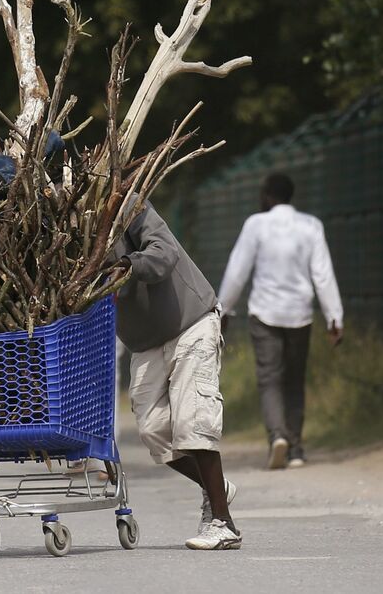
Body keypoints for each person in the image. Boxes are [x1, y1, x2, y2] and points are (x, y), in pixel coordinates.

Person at [113, 195, 241, 550]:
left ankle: (223, 523)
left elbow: (164, 252)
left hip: (191, 323)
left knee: (192, 421)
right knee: (153, 430)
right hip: (145, 341)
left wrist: (126, 266)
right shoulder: (62, 237)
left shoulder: (127, 205)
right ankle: (217, 487)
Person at [217, 173, 344, 470]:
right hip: (300, 313)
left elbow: (238, 271)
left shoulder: (256, 225)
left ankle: (277, 437)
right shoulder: (311, 225)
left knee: (269, 378)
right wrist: (334, 316)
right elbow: (322, 274)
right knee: (294, 380)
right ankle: (296, 449)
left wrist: (223, 309)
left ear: (268, 196)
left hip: (265, 314)